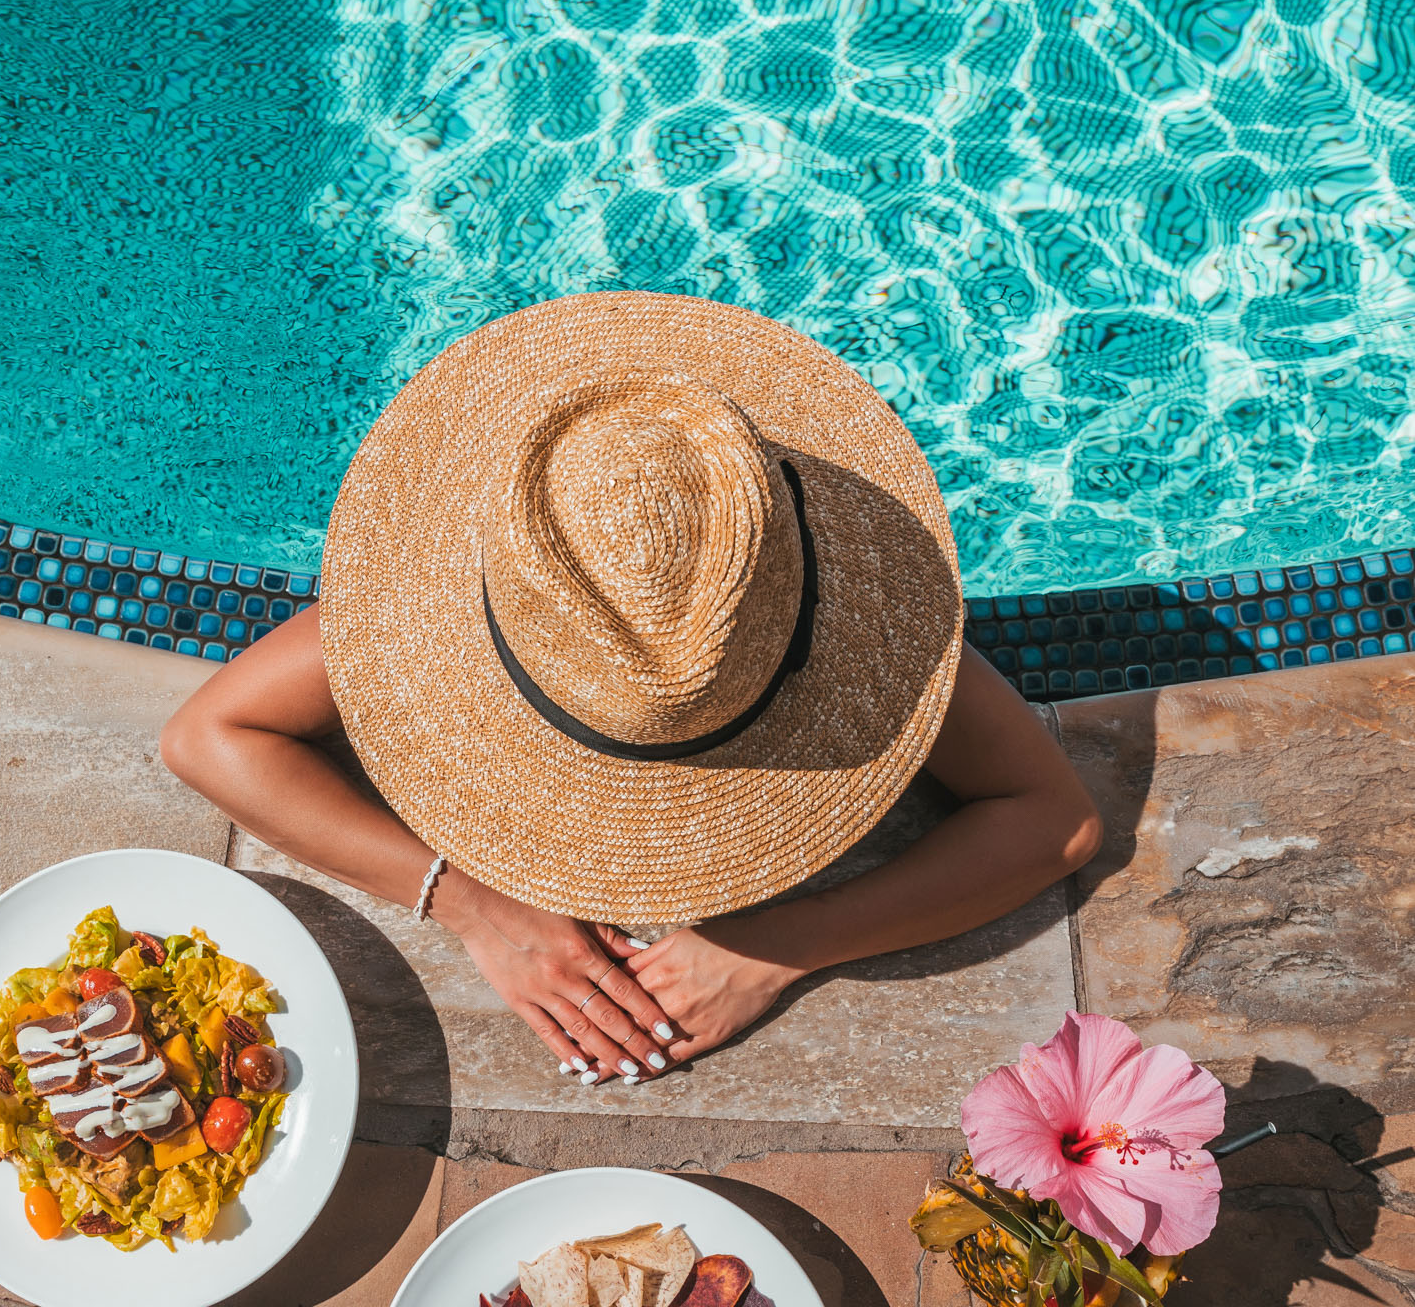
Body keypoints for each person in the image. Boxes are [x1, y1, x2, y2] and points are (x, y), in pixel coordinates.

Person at [162, 293, 1100, 1089]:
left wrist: (782, 944)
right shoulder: (526, 548)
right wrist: (474, 903)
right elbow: (208, 736)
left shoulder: (787, 567)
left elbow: (1057, 822)